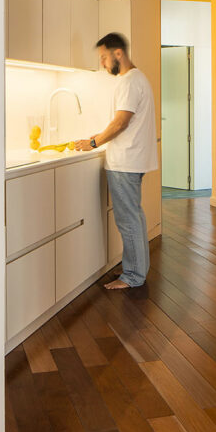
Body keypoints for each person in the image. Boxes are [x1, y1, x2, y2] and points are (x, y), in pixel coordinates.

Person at [74, 32, 158, 290]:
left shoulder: (129, 82)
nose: (102, 63)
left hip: (125, 162)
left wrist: (93, 142)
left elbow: (121, 121)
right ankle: (138, 271)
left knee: (128, 220)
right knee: (135, 218)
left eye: (103, 57)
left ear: (117, 54)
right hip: (133, 160)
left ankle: (133, 276)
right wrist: (98, 137)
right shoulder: (137, 79)